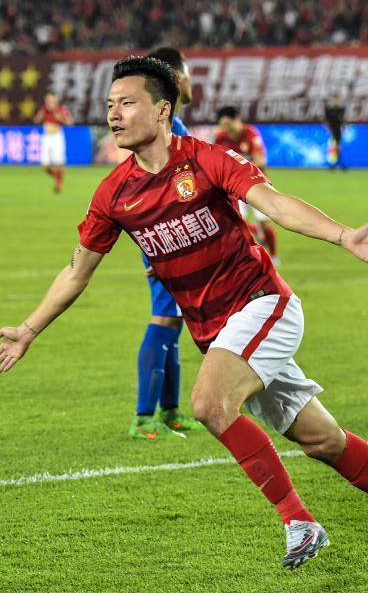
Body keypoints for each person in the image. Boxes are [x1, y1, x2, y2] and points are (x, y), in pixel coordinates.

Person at [0, 56, 368, 570]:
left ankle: (300, 522)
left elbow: (273, 204)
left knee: (209, 403)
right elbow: (78, 271)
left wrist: (344, 236)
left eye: (126, 103)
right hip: (215, 331)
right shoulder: (113, 193)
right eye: (109, 105)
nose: (113, 115)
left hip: (263, 304)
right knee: (321, 440)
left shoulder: (206, 160)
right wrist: (29, 329)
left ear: (163, 110)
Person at [122, 46, 204, 440]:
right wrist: (158, 249)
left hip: (177, 240)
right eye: (187, 73)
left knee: (175, 320)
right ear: (175, 76)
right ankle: (143, 417)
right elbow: (153, 190)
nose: (191, 82)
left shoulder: (178, 127)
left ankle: (170, 411)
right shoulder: (167, 131)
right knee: (164, 319)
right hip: (167, 242)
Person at [215, 106, 280, 265]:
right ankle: (249, 250)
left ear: (237, 120)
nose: (226, 129)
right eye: (223, 126)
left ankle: (273, 256)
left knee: (264, 222)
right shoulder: (221, 138)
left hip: (257, 185)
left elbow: (261, 161)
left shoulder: (250, 134)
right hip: (234, 187)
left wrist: (236, 166)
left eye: (229, 125)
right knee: (236, 222)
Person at [33, 91, 73, 193]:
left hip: (57, 137)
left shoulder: (61, 110)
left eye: (51, 99)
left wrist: (61, 119)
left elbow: (70, 122)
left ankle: (58, 183)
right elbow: (36, 120)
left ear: (55, 100)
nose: (49, 102)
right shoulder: (44, 110)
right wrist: (39, 117)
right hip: (46, 137)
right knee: (45, 165)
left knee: (59, 162)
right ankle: (57, 178)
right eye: (47, 100)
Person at [324, 93, 346, 169]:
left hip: (338, 129)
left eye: (337, 99)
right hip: (332, 130)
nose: (335, 101)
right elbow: (327, 120)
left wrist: (343, 125)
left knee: (337, 146)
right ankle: (334, 163)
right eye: (334, 99)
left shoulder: (340, 109)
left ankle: (337, 163)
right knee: (333, 146)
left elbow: (342, 120)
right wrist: (328, 127)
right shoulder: (329, 110)